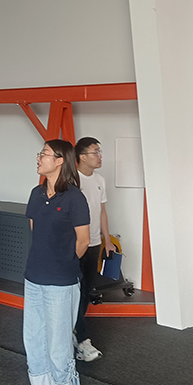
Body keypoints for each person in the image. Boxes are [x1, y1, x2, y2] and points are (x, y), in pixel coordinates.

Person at [21, 139, 90, 385]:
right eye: (40, 153)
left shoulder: (75, 198)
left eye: (45, 154)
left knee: (58, 340)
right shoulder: (36, 194)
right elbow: (35, 232)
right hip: (34, 277)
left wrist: (63, 263)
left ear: (60, 160)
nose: (39, 158)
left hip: (61, 280)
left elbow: (83, 241)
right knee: (34, 337)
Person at [73, 136, 116, 362]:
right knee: (73, 291)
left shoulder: (100, 179)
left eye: (100, 152)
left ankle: (75, 330)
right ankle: (81, 338)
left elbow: (102, 212)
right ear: (82, 157)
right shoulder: (71, 179)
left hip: (94, 244)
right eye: (95, 152)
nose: (99, 156)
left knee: (86, 290)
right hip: (75, 244)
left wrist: (107, 240)